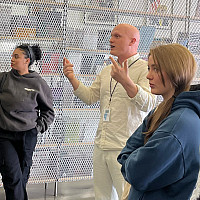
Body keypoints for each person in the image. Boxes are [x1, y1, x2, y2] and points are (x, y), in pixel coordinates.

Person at [63, 23, 156, 200]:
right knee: (102, 196)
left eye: (117, 36)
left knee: (126, 196)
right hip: (101, 144)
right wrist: (72, 78)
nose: (110, 39)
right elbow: (90, 97)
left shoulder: (145, 69)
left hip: (126, 148)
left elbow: (149, 103)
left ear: (133, 41)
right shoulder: (107, 71)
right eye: (112, 35)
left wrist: (126, 81)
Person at [117, 43, 200, 200]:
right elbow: (127, 151)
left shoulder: (177, 124)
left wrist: (133, 163)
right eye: (149, 68)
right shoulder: (160, 111)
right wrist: (134, 161)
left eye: (156, 69)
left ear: (175, 70)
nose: (149, 75)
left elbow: (138, 173)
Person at [0, 44, 55, 200]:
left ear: (27, 60)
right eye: (12, 56)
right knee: (12, 175)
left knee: (21, 177)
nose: (12, 59)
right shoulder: (4, 79)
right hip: (5, 135)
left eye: (16, 56)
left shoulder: (38, 83)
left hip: (27, 136)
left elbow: (48, 112)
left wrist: (36, 128)